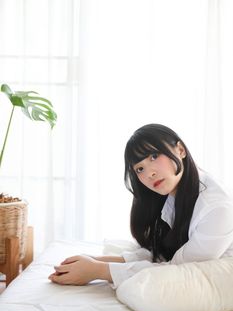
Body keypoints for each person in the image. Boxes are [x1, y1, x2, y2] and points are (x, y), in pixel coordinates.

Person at [48, 123, 233, 288]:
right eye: (140, 169)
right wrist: (95, 261)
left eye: (154, 156)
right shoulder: (175, 192)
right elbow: (163, 254)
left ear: (180, 150)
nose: (149, 173)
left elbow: (176, 271)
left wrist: (99, 271)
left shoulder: (216, 209)